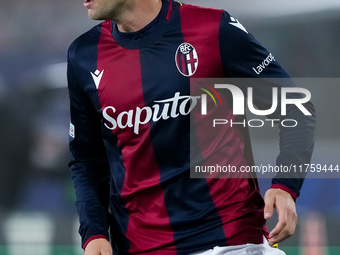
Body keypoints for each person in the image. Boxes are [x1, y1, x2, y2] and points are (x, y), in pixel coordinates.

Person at [67, 0, 315, 254]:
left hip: (231, 240)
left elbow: (295, 107)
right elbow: (86, 160)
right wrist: (94, 232)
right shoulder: (84, 55)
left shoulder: (212, 29)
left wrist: (285, 185)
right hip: (139, 248)